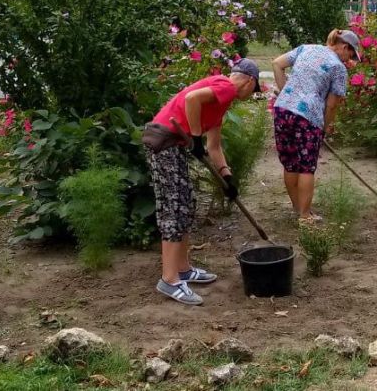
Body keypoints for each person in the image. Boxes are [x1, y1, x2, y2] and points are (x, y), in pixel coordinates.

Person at [141, 59, 261, 305]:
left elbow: (214, 147)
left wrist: (227, 177)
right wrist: (195, 136)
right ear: (250, 81)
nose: (252, 95)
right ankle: (170, 279)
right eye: (255, 89)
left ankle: (183, 269)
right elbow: (191, 99)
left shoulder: (221, 103)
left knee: (186, 204)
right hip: (164, 143)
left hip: (173, 146)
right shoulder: (226, 86)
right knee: (174, 209)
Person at [271, 29, 361, 221]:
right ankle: (305, 216)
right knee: (306, 167)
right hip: (308, 117)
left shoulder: (307, 48)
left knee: (290, 163)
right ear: (345, 47)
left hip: (282, 110)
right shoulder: (338, 67)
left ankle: (298, 208)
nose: (349, 59)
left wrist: (285, 92)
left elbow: (277, 64)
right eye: (351, 54)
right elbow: (332, 104)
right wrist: (323, 128)